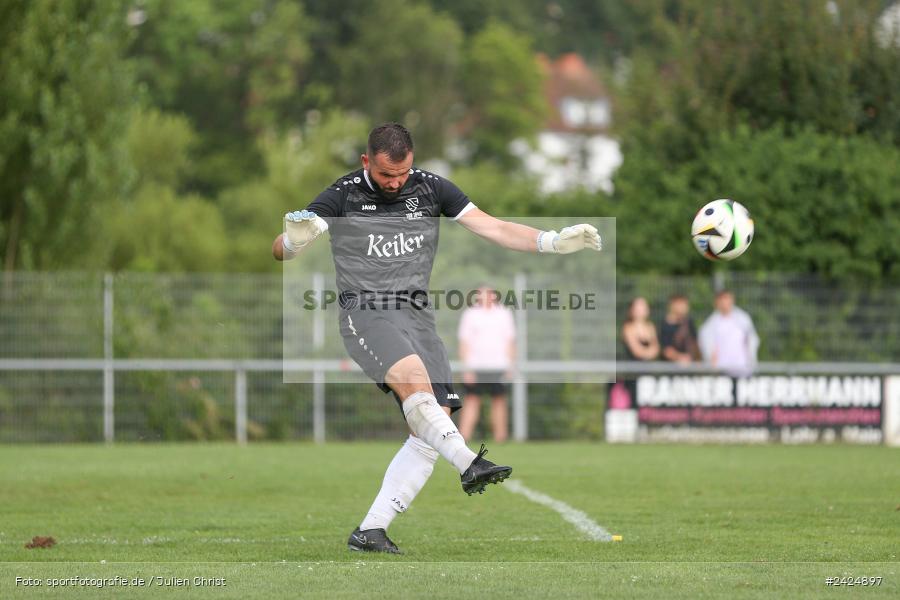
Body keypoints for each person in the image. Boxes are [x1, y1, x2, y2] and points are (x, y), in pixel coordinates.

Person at [272, 123, 602, 554]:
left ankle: (371, 530)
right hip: (366, 312)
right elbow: (281, 247)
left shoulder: (431, 189)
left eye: (403, 173)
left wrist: (552, 241)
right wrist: (295, 243)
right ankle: (469, 463)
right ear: (366, 161)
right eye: (387, 174)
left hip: (417, 317)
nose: (396, 183)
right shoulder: (343, 194)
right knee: (414, 380)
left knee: (433, 418)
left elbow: (493, 227)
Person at [457, 285, 516, 443]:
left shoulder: (504, 313)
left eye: (488, 294)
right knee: (472, 400)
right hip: (476, 366)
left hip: (499, 365)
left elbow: (510, 341)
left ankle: (500, 438)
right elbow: (464, 342)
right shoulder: (470, 314)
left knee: (499, 400)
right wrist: (467, 368)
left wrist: (510, 365)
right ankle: (463, 438)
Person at [698, 290, 759, 377]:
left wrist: (751, 360)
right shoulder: (710, 324)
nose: (724, 303)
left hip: (742, 369)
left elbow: (752, 340)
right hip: (721, 370)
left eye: (727, 299)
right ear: (716, 303)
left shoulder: (743, 319)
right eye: (721, 300)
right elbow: (707, 345)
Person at [658, 294, 700, 365]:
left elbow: (695, 344)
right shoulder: (665, 325)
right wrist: (680, 357)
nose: (685, 307)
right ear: (672, 305)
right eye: (681, 304)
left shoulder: (689, 323)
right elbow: (666, 350)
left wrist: (695, 359)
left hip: (690, 365)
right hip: (671, 367)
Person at [621, 297, 659, 362]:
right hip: (632, 367)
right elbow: (636, 351)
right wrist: (648, 354)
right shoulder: (628, 328)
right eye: (638, 307)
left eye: (643, 306)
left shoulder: (650, 327)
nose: (640, 310)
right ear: (631, 309)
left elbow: (656, 348)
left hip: (648, 368)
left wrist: (649, 354)